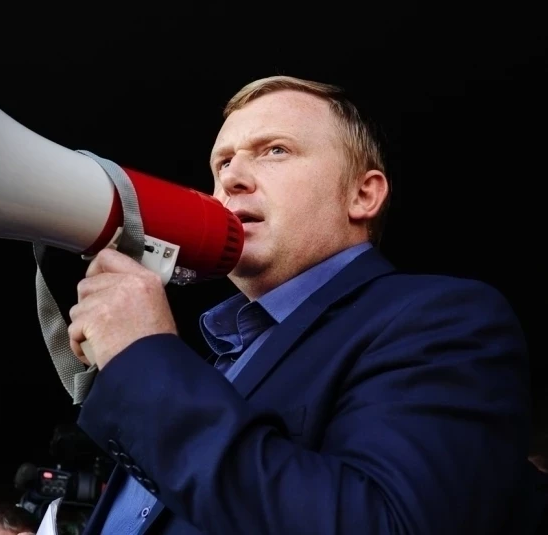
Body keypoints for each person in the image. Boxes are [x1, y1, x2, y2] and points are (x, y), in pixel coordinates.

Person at [64, 75, 543, 534]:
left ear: (362, 194)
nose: (231, 180)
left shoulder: (442, 319)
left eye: (275, 150)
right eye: (222, 163)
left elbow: (384, 522)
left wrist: (145, 361)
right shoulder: (217, 359)